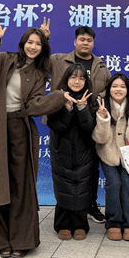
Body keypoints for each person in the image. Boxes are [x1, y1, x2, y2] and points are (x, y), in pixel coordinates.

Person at [0, 15, 66, 258]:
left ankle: (21, 241)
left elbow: (34, 104)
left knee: (21, 186)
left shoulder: (39, 72)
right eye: (30, 42)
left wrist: (58, 97)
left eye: (38, 43)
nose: (33, 47)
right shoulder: (4, 59)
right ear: (22, 43)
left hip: (20, 129)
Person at [41, 19, 111, 223]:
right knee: (62, 167)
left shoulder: (101, 66)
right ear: (75, 41)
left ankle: (90, 205)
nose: (85, 43)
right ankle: (65, 210)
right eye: (82, 39)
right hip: (61, 120)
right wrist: (45, 39)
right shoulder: (59, 60)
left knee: (90, 168)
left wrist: (93, 103)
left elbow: (109, 91)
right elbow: (40, 63)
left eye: (89, 40)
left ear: (93, 43)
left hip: (88, 122)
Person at [92, 73, 129, 242]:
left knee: (128, 185)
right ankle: (114, 222)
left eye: (122, 86)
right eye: (114, 86)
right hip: (108, 154)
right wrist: (102, 119)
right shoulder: (102, 107)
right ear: (109, 89)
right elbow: (100, 139)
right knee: (114, 183)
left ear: (128, 89)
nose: (118, 90)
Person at [45, 63, 96, 241]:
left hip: (84, 152)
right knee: (63, 186)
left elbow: (90, 128)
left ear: (86, 81)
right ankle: (63, 225)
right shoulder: (56, 98)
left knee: (82, 187)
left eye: (81, 78)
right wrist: (66, 108)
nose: (77, 81)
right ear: (66, 79)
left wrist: (82, 109)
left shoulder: (91, 100)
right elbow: (57, 126)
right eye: (73, 77)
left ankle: (81, 225)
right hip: (61, 152)